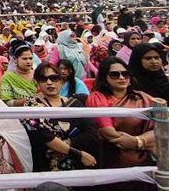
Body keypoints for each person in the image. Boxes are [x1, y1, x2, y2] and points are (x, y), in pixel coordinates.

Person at [86, 57, 156, 191]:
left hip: (144, 159)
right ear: (104, 77)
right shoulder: (97, 98)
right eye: (114, 74)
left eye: (125, 74)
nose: (121, 77)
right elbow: (108, 131)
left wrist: (137, 141)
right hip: (112, 158)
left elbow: (163, 128)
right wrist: (135, 140)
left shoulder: (143, 98)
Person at [22, 63, 99, 172]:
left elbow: (91, 133)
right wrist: (78, 154)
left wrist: (66, 144)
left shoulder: (75, 103)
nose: (49, 82)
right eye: (43, 79)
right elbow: (43, 136)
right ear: (37, 83)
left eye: (54, 78)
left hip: (78, 164)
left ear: (61, 82)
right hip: (46, 165)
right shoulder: (32, 105)